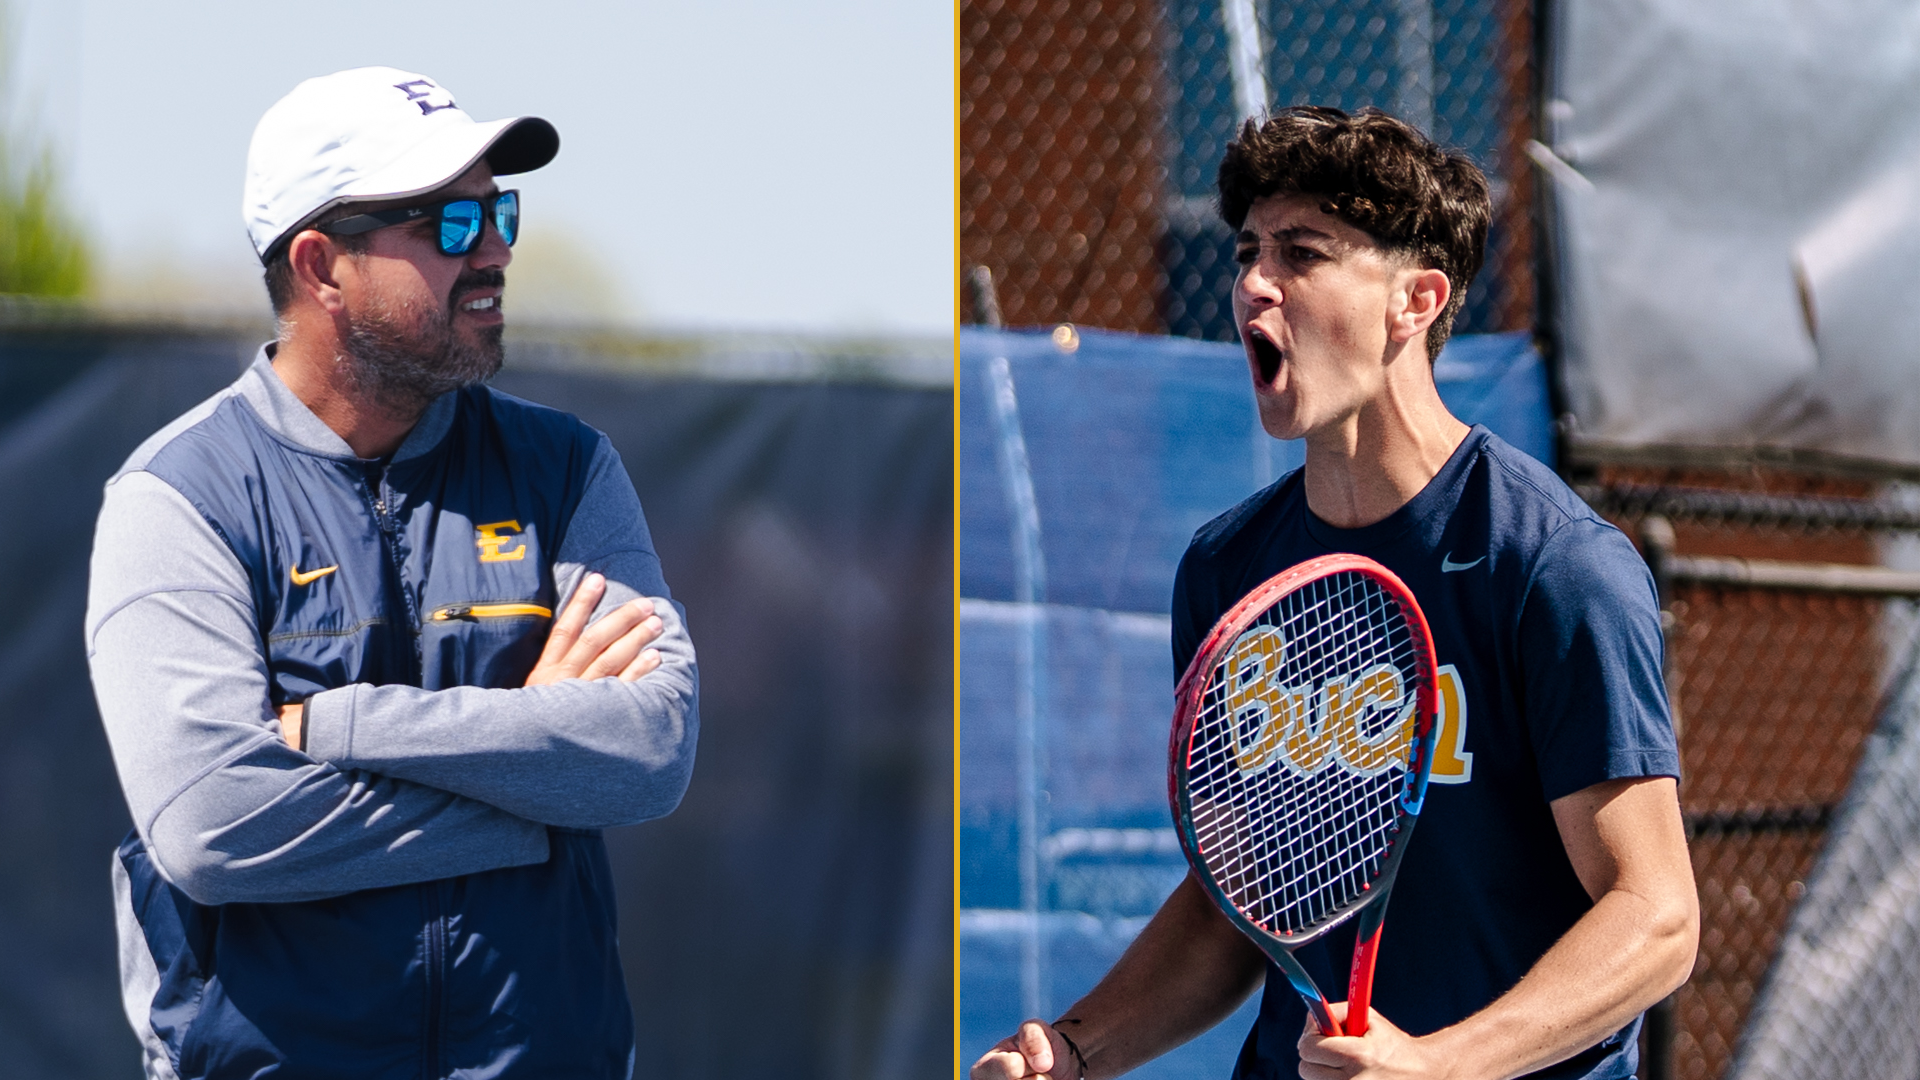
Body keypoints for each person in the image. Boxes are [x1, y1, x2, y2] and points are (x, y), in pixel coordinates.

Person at [972, 106, 1698, 1080]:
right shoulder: (1230, 573)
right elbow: (1238, 903)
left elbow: (1653, 916)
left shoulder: (1554, 568)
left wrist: (1440, 1067)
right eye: (1246, 252)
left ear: (1418, 301)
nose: (1251, 285)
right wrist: (1074, 1050)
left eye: (1303, 254)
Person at [85, 67, 699, 1078]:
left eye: (499, 211)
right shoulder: (180, 498)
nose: (495, 248)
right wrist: (535, 784)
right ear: (322, 266)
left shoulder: (568, 470)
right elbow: (213, 825)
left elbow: (649, 750)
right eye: (449, 224)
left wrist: (345, 728)